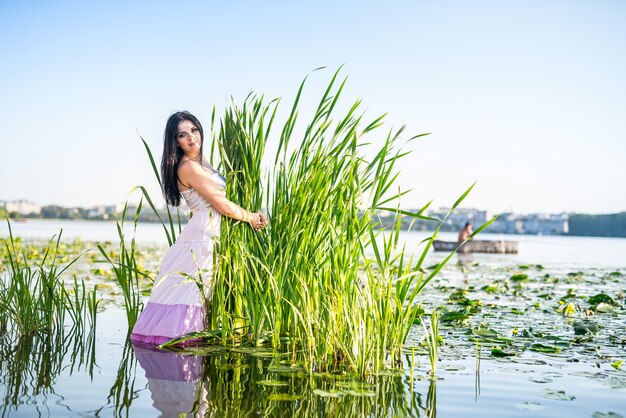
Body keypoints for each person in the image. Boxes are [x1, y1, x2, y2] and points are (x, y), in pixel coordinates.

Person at [130, 111, 268, 345]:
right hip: (204, 235)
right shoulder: (188, 168)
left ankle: (194, 358)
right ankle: (180, 355)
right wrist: (251, 217)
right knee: (192, 293)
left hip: (210, 232)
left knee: (200, 294)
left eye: (194, 130)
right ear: (175, 142)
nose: (191, 138)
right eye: (182, 135)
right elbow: (221, 204)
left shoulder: (202, 162)